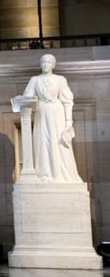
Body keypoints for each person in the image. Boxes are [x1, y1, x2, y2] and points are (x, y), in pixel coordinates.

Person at [22, 54, 83, 183]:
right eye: (43, 62)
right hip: (42, 111)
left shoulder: (60, 79)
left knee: (58, 142)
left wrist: (68, 121)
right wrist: (23, 98)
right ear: (40, 64)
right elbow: (27, 96)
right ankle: (45, 173)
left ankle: (61, 174)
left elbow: (67, 101)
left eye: (48, 62)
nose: (45, 64)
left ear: (53, 65)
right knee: (42, 141)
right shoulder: (35, 80)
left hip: (57, 112)